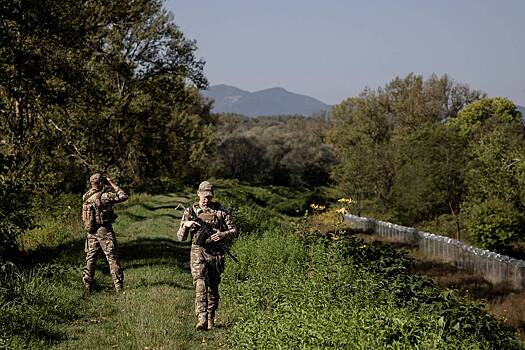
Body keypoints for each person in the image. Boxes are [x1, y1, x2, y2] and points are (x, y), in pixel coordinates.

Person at [177, 181, 238, 330]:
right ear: (198, 194)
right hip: (198, 251)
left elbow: (234, 230)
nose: (206, 199)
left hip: (216, 254)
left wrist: (222, 234)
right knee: (200, 283)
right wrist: (186, 225)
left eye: (209, 196)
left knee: (213, 288)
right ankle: (201, 318)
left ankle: (211, 317)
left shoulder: (220, 211)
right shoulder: (190, 212)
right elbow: (180, 237)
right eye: (204, 196)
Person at [82, 173, 128, 293]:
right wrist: (112, 184)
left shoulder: (86, 196)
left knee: (90, 258)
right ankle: (119, 286)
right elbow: (123, 196)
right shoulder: (104, 196)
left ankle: (88, 286)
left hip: (90, 231)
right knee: (112, 257)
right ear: (101, 182)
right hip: (104, 230)